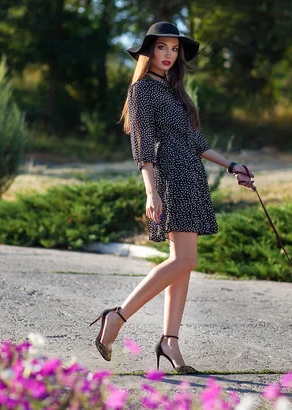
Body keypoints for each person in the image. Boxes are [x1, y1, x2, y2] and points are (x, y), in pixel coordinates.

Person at [90, 21, 255, 374]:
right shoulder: (141, 91)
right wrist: (151, 192)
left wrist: (233, 166)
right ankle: (117, 317)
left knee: (183, 264)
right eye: (162, 47)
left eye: (174, 49)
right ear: (148, 51)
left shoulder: (175, 91)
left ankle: (170, 342)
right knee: (184, 261)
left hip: (192, 177)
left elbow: (197, 143)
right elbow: (142, 147)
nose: (169, 54)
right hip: (169, 178)